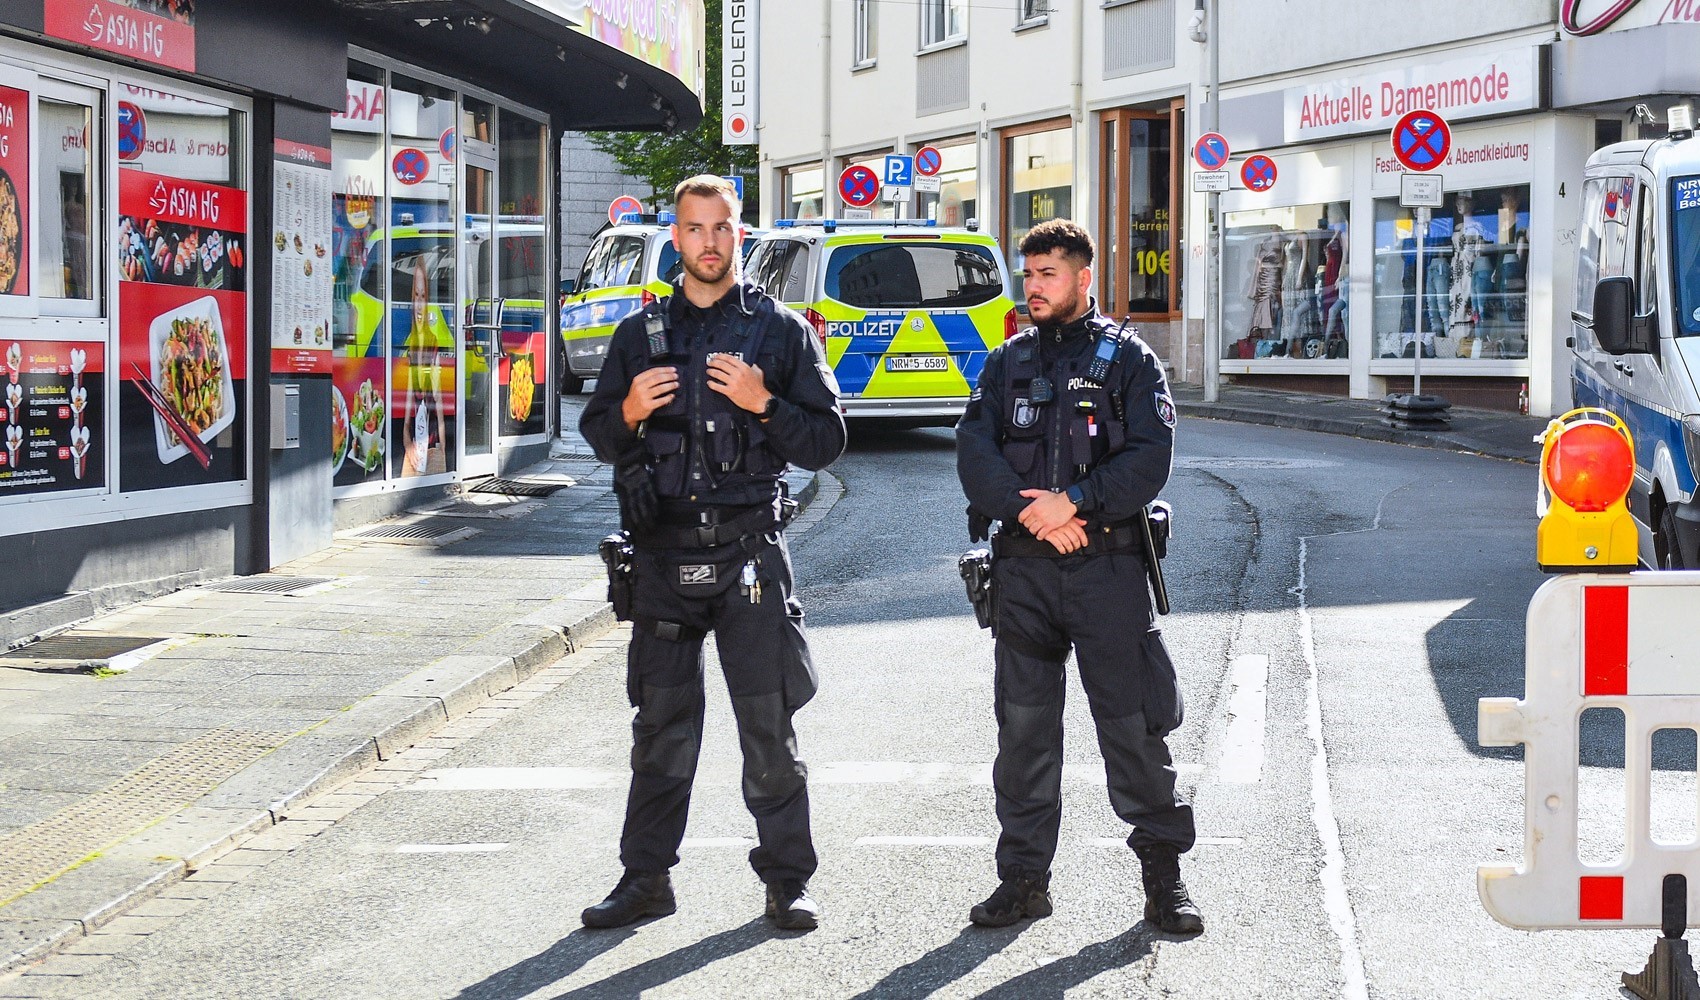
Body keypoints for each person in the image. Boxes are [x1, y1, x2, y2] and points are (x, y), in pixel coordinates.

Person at [578, 175, 846, 932]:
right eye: (694, 229)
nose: (708, 242)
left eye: (721, 228)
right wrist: (627, 412)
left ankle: (787, 882)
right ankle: (645, 881)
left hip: (748, 558)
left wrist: (765, 402)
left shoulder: (779, 330)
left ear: (740, 233)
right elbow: (599, 432)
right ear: (676, 237)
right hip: (661, 556)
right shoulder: (642, 335)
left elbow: (828, 440)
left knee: (768, 729)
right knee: (661, 729)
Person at [955, 219, 1202, 934]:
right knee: (1024, 737)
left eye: (1047, 275)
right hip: (1025, 576)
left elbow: (1148, 461)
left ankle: (1164, 880)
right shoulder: (1006, 364)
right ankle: (1023, 881)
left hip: (1108, 570)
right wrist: (1030, 514)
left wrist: (1077, 503)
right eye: (1028, 275)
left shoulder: (1130, 363)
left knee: (1132, 732)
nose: (1033, 287)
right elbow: (976, 455)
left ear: (1083, 278)